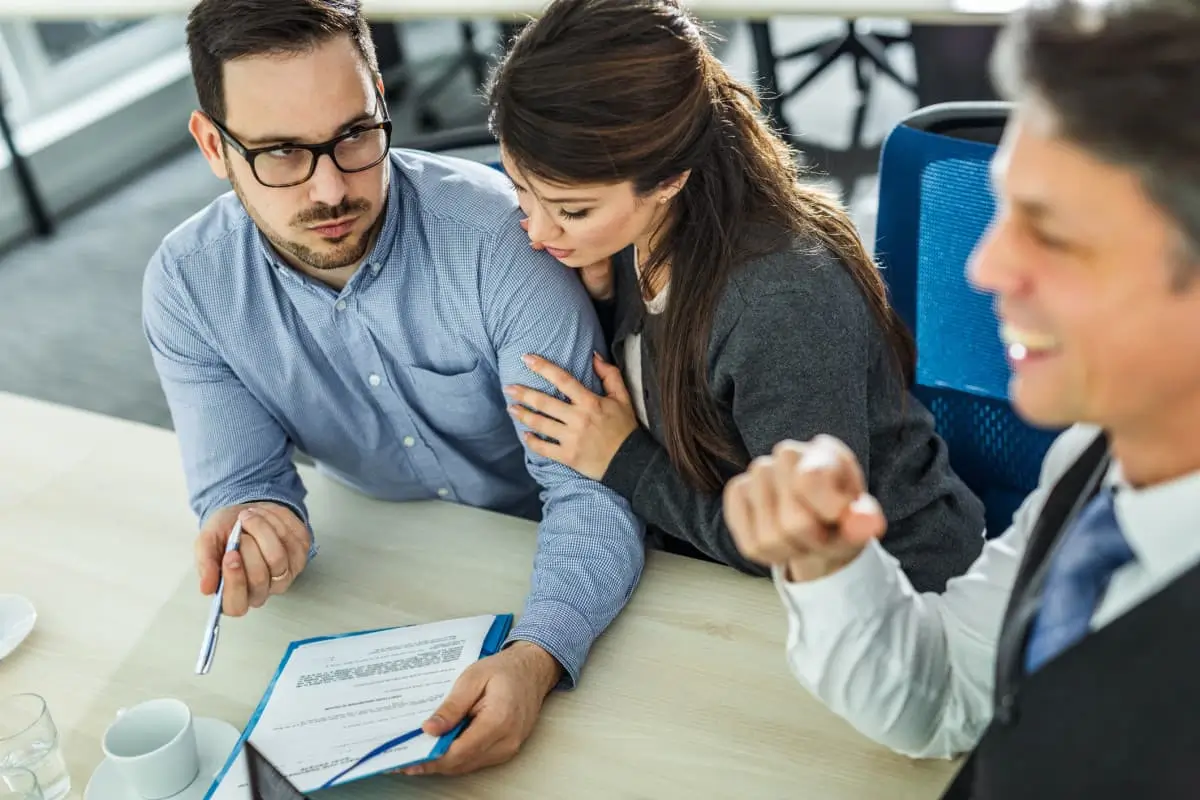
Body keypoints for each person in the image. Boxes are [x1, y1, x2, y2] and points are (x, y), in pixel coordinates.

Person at [142, 0, 646, 776]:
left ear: (382, 97)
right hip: (380, 569)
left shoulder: (499, 242)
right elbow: (242, 486)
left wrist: (538, 654)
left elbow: (590, 490)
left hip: (545, 557)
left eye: (354, 136)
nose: (329, 190)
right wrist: (256, 527)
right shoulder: (189, 285)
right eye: (279, 153)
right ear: (214, 144)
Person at [723, 0, 1200, 796]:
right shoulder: (1101, 453)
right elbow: (950, 695)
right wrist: (830, 562)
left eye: (1052, 232)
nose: (982, 270)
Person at [486, 0, 985, 592]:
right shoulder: (632, 232)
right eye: (520, 190)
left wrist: (625, 461)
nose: (538, 233)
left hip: (891, 591)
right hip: (721, 573)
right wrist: (601, 295)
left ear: (670, 179)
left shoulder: (778, 301)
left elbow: (804, 542)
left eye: (572, 210)